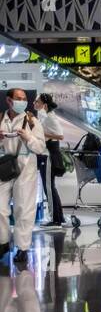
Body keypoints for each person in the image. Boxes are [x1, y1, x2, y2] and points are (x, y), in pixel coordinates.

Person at [0, 90, 47, 267]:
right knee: (0, 209)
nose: (22, 102)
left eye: (24, 99)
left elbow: (41, 147)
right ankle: (3, 242)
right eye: (18, 99)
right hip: (3, 169)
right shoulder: (0, 119)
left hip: (25, 170)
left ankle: (22, 248)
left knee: (24, 210)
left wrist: (28, 137)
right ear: (8, 101)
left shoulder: (31, 121)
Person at [34, 93, 65, 228]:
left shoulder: (50, 118)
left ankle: (55, 219)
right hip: (46, 155)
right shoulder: (46, 117)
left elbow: (60, 136)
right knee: (50, 188)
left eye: (37, 101)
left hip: (49, 156)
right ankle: (59, 217)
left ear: (44, 105)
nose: (35, 103)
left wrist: (41, 133)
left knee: (49, 188)